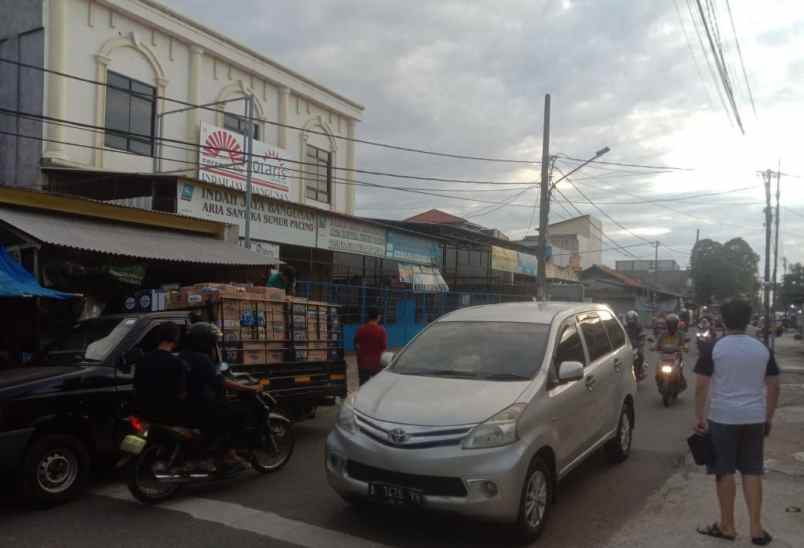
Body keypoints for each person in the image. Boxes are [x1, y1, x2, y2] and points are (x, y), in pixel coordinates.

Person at [693, 298, 781, 545]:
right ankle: (756, 529)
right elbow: (774, 386)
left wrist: (699, 416)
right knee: (753, 471)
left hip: (722, 418)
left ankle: (727, 526)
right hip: (754, 418)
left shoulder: (713, 348)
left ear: (723, 320)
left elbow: (701, 386)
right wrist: (768, 417)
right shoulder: (762, 349)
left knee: (724, 471)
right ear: (747, 320)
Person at [182, 322, 263, 472]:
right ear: (205, 342)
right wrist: (250, 388)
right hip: (203, 406)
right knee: (240, 415)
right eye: (213, 341)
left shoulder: (183, 355)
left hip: (187, 405)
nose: (215, 345)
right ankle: (229, 455)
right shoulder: (202, 359)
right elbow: (222, 382)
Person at [133, 322, 189, 425]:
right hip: (167, 418)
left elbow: (137, 386)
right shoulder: (178, 363)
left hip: (145, 415)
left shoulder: (143, 360)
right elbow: (181, 394)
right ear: (176, 339)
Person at [353, 307, 388, 386]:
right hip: (377, 365)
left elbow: (355, 345)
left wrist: (360, 355)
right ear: (378, 317)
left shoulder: (360, 329)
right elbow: (384, 347)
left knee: (363, 386)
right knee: (377, 387)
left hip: (363, 364)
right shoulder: (381, 331)